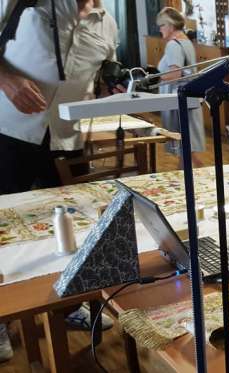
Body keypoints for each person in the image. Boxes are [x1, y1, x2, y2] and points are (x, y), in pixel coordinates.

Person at [0, 0, 117, 362]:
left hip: (67, 138)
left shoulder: (108, 24)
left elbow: (96, 81)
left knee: (72, 228)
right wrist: (7, 79)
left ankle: (66, 303)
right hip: (8, 131)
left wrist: (109, 90)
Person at [156, 7, 205, 168]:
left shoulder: (173, 44)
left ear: (170, 26)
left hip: (177, 100)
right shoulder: (185, 40)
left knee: (185, 148)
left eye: (162, 25)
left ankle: (194, 182)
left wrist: (154, 76)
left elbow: (175, 74)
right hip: (188, 98)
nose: (160, 29)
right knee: (187, 149)